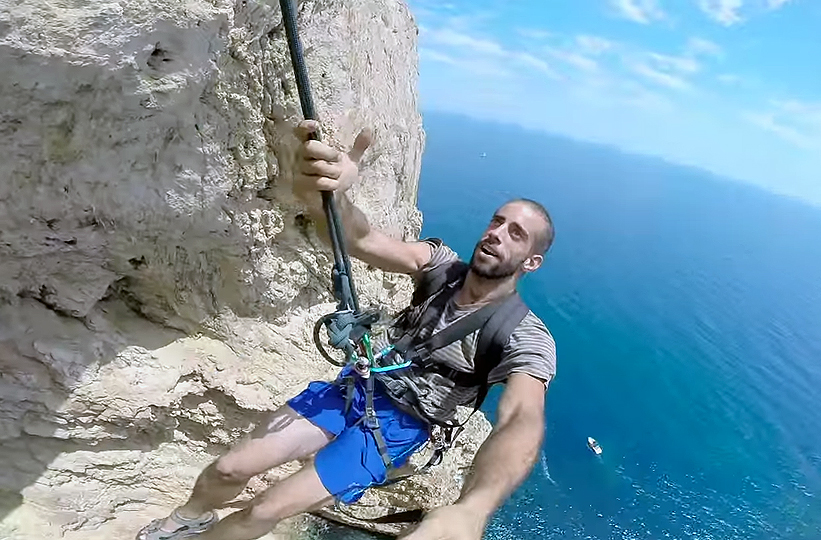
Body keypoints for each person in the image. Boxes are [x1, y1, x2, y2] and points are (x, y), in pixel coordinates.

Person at [136, 119, 558, 540]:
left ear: (531, 261)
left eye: (515, 234)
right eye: (496, 221)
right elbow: (361, 239)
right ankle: (186, 519)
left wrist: (474, 509)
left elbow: (521, 417)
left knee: (266, 508)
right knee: (231, 466)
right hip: (356, 388)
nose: (496, 234)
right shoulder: (440, 266)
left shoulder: (524, 335)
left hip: (398, 429)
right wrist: (335, 198)